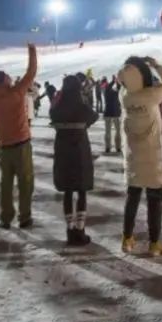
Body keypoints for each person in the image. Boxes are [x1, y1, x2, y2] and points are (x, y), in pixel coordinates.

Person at [119, 55, 162, 256]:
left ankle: (126, 238)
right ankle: (154, 243)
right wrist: (156, 65)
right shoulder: (151, 96)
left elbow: (123, 81)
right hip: (152, 161)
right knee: (155, 200)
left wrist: (127, 71)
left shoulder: (125, 98)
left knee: (132, 198)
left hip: (133, 159)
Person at [0, 44, 38, 229]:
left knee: (5, 184)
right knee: (25, 182)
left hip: (4, 148)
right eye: (7, 76)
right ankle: (24, 217)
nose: (10, 77)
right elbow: (31, 72)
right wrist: (32, 50)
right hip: (22, 145)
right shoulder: (16, 93)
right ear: (3, 81)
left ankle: (5, 217)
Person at [49, 74, 99, 245]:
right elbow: (93, 116)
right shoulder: (81, 105)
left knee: (68, 191)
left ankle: (70, 230)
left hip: (63, 150)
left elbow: (52, 114)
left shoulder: (57, 107)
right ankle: (80, 228)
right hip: (80, 149)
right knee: (82, 189)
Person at [102, 76, 122, 154]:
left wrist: (115, 81)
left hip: (108, 114)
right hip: (116, 114)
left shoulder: (107, 93)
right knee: (118, 132)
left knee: (108, 132)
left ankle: (108, 147)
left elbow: (112, 87)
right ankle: (118, 147)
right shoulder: (117, 94)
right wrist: (116, 81)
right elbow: (119, 88)